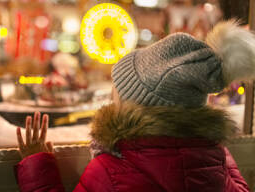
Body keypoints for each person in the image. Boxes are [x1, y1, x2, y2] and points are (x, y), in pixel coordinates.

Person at [14, 20, 253, 192]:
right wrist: (210, 142)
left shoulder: (111, 171)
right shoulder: (213, 165)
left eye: (119, 88)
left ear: (136, 105)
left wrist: (37, 164)